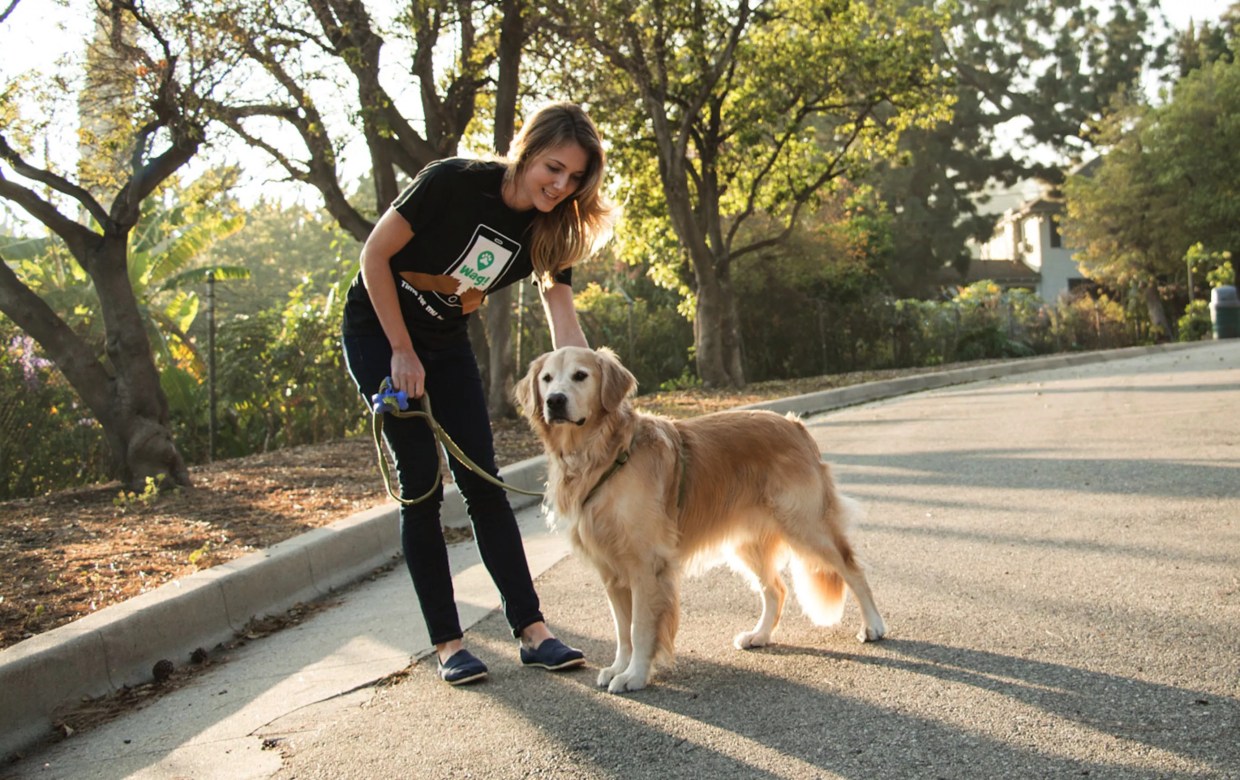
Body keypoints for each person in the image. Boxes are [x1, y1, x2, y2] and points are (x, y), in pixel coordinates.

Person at [340, 102, 614, 685]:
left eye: (574, 178)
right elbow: (374, 256)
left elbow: (564, 325)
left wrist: (597, 392)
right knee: (421, 483)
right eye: (553, 168)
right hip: (379, 332)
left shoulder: (551, 229)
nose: (560, 186)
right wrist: (401, 351)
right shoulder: (453, 182)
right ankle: (449, 644)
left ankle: (533, 632)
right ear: (527, 151)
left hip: (445, 341)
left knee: (483, 481)